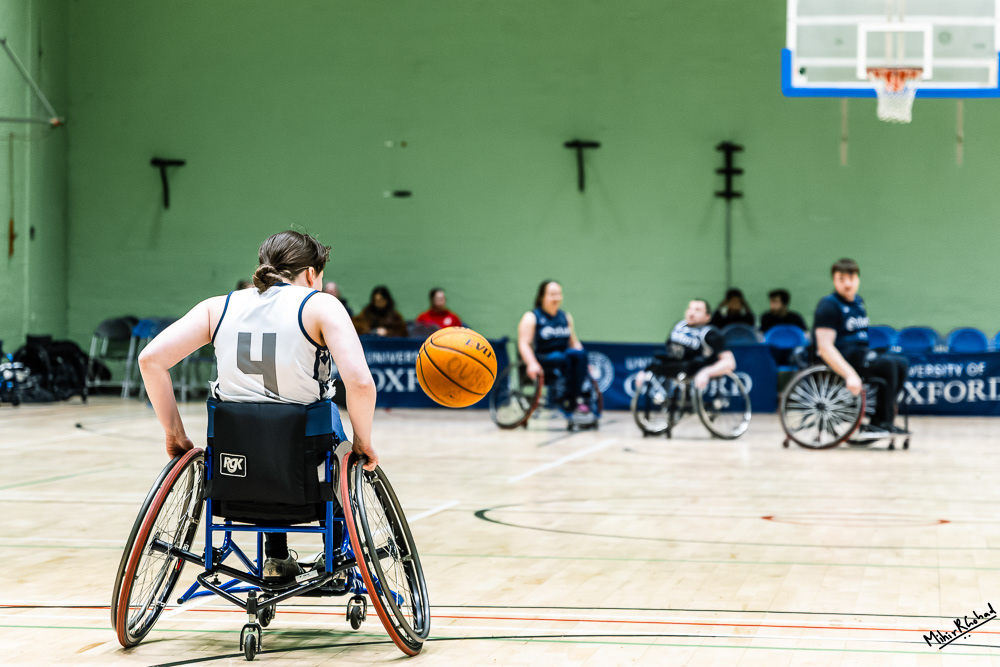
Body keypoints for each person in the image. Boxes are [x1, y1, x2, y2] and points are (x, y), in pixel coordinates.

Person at [138, 230, 378, 581]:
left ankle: (276, 558)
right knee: (329, 430)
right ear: (312, 274)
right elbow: (360, 383)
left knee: (260, 430)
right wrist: (363, 443)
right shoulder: (320, 305)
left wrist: (174, 433)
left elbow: (150, 361)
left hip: (235, 477)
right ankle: (338, 556)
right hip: (305, 476)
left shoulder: (217, 306)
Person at [813, 258, 908, 436]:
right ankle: (881, 421)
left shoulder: (858, 302)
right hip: (844, 358)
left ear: (858, 279)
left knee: (901, 363)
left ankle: (884, 418)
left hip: (861, 353)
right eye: (841, 279)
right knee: (888, 366)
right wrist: (849, 374)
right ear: (834, 280)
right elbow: (824, 347)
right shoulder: (829, 305)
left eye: (851, 278)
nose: (847, 284)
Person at [518, 280, 592, 419]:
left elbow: (574, 343)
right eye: (552, 294)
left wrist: (585, 361)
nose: (556, 298)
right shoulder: (532, 317)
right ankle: (567, 399)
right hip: (543, 358)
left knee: (579, 355)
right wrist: (531, 363)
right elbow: (524, 343)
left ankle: (573, 398)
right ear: (542, 297)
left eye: (558, 294)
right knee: (562, 357)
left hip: (564, 357)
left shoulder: (565, 317)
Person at [643, 299, 736, 391]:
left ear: (707, 316)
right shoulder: (679, 325)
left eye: (697, 310)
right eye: (690, 309)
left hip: (695, 368)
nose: (692, 313)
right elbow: (668, 351)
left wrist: (706, 372)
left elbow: (730, 362)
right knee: (653, 367)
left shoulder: (710, 333)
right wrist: (647, 371)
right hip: (675, 365)